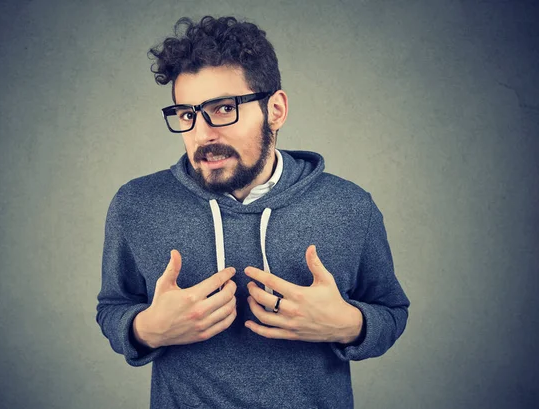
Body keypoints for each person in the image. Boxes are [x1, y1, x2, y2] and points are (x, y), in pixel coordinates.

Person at [96, 15, 410, 409]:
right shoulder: (137, 205)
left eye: (223, 108)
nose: (202, 134)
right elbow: (112, 307)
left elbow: (392, 311)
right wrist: (145, 330)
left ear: (275, 109)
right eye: (187, 114)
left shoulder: (350, 207)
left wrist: (349, 324)